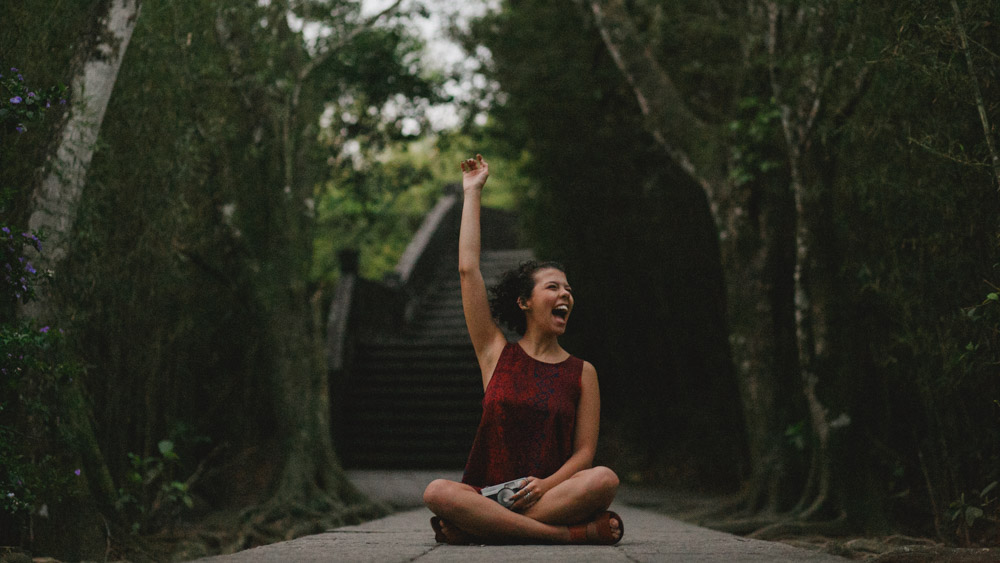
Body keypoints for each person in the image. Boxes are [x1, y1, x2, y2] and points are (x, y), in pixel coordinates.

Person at [422, 154, 623, 545]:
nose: (565, 294)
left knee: (603, 479)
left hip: (548, 493)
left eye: (568, 290)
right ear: (524, 302)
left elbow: (584, 454)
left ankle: (477, 527)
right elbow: (468, 269)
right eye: (553, 287)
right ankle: (568, 535)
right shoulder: (495, 352)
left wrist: (544, 485)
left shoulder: (583, 372)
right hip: (488, 493)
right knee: (437, 492)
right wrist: (473, 192)